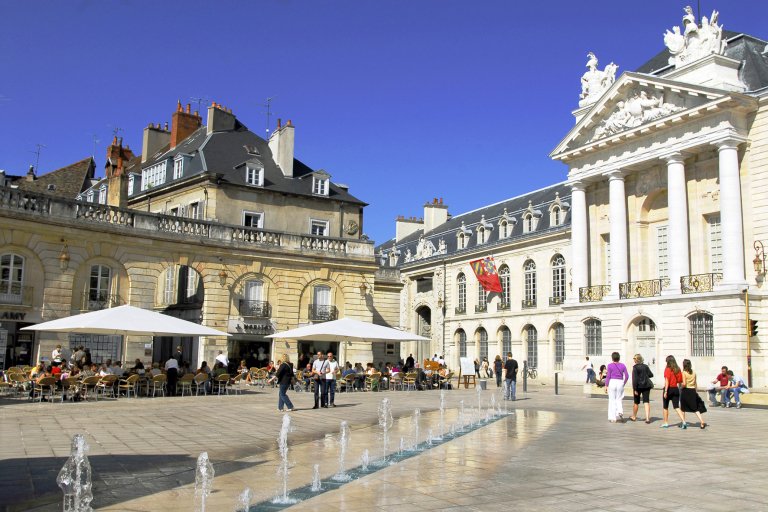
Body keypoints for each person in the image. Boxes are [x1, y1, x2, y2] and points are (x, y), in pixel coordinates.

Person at [661, 355, 687, 429]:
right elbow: (679, 381)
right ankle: (684, 421)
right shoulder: (678, 369)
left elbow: (667, 380)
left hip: (668, 389)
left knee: (665, 407)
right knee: (676, 407)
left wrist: (665, 391)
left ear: (668, 361)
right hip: (675, 389)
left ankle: (666, 423)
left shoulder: (667, 369)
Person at [680, 359, 707, 428]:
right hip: (692, 391)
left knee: (682, 408)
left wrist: (680, 386)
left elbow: (684, 384)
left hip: (686, 391)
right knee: (695, 408)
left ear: (684, 365)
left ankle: (683, 423)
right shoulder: (694, 372)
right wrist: (696, 391)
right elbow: (695, 383)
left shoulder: (684, 373)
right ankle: (702, 421)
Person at [605, 352, 629, 423]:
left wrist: (606, 385)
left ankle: (613, 418)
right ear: (619, 358)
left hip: (612, 382)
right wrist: (623, 383)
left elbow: (608, 376)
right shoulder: (623, 365)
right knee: (619, 399)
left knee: (612, 400)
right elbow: (627, 376)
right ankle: (620, 412)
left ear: (612, 358)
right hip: (620, 382)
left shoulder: (609, 365)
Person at [629, 354, 653, 424]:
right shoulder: (646, 366)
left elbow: (635, 379)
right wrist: (645, 375)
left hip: (638, 387)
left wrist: (635, 389)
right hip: (646, 386)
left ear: (636, 360)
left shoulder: (635, 368)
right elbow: (651, 375)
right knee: (646, 402)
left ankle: (634, 416)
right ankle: (647, 418)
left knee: (636, 402)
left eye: (634, 359)